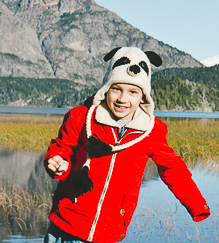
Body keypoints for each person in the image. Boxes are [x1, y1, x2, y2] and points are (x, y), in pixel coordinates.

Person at [43, 46, 210, 243]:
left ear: (143, 97)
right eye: (116, 89)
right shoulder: (81, 117)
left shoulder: (151, 131)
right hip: (66, 224)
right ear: (106, 90)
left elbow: (173, 169)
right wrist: (57, 161)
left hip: (109, 230)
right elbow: (63, 147)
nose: (123, 99)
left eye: (133, 92)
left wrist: (197, 204)